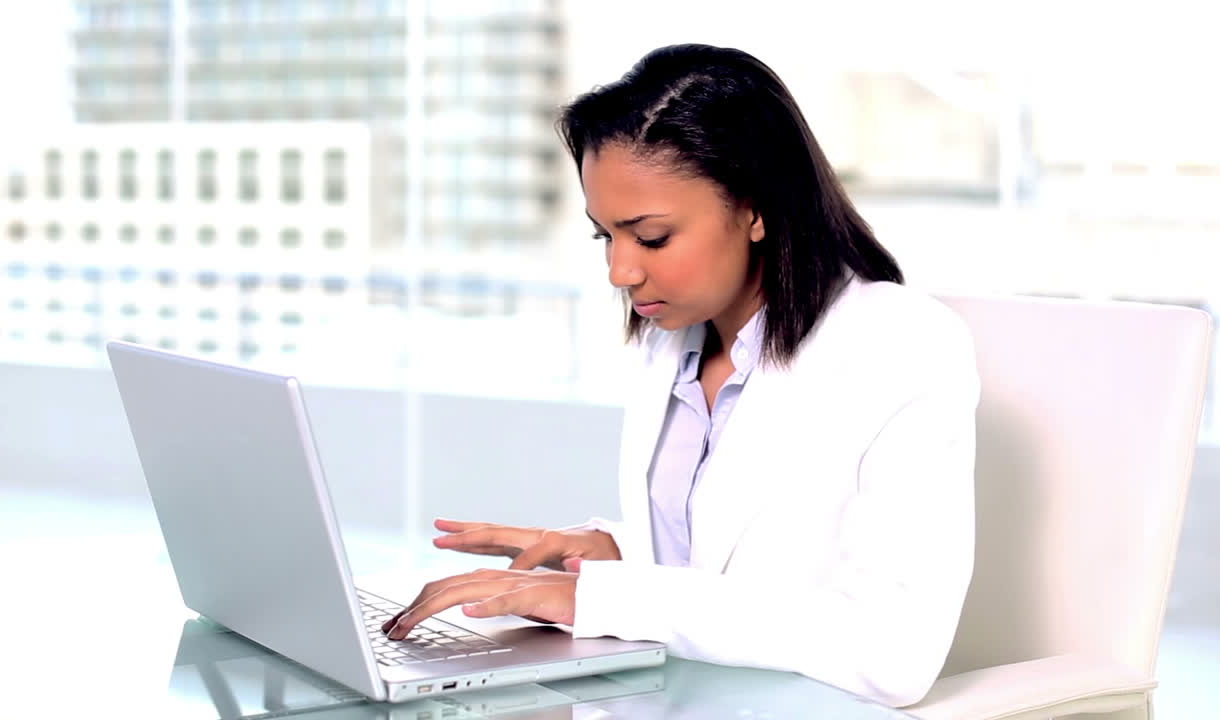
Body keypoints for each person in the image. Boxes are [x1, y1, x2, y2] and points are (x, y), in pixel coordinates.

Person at [381, 43, 980, 708]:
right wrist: (604, 552)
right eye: (605, 236)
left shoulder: (901, 344)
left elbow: (887, 651)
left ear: (755, 210)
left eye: (653, 237)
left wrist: (604, 597)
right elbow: (728, 559)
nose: (620, 271)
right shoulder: (675, 347)